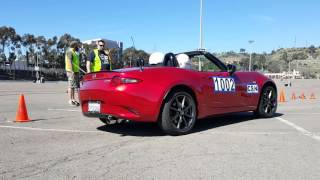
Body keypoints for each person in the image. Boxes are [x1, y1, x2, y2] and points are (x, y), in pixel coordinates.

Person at [65, 41, 80, 106]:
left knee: (74, 86)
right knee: (71, 86)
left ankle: (73, 99)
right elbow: (69, 62)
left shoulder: (74, 52)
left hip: (75, 71)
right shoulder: (69, 51)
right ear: (74, 45)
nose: (78, 46)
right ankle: (70, 100)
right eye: (77, 45)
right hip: (71, 71)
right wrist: (71, 71)